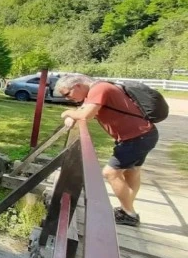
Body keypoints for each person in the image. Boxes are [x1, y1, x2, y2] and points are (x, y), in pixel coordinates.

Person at [54, 74, 159, 227]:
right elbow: (84, 108)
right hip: (142, 135)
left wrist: (68, 113)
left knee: (110, 173)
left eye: (67, 94)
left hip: (136, 138)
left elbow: (85, 115)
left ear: (77, 85)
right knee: (132, 171)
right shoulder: (96, 90)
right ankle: (127, 208)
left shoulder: (100, 88)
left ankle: (129, 213)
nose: (67, 98)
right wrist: (75, 115)